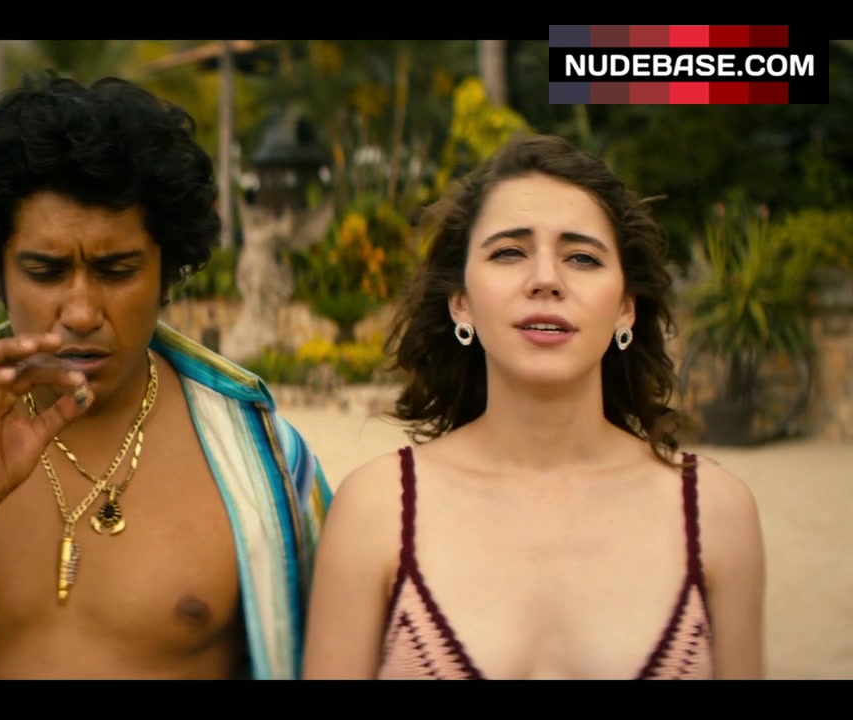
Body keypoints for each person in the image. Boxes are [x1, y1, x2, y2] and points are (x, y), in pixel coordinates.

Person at [0, 71, 331, 680]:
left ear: (166, 272)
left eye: (117, 271)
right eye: (45, 272)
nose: (80, 312)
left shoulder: (265, 455)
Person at [301, 134, 766, 680]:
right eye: (509, 252)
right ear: (460, 302)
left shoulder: (717, 514)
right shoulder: (374, 511)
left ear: (626, 308)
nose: (546, 279)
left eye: (582, 258)